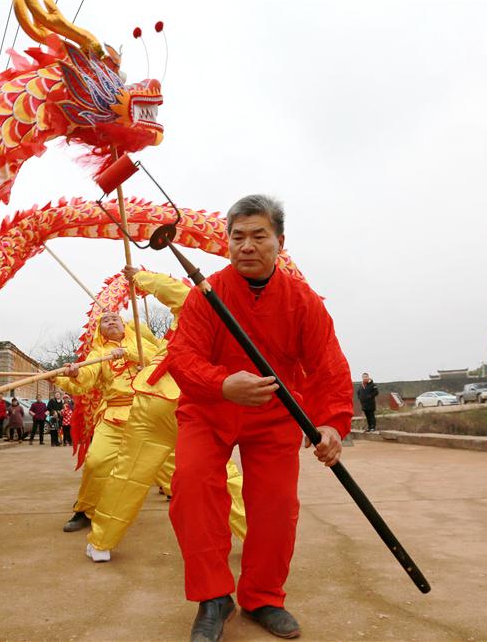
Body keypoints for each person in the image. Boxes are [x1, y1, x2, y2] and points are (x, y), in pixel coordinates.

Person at [165, 195, 353, 641]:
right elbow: (181, 356)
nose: (246, 246)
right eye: (237, 236)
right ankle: (213, 597)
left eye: (258, 236)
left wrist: (331, 423)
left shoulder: (303, 302)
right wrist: (221, 384)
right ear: (227, 241)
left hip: (274, 416)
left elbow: (328, 366)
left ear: (279, 242)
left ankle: (263, 596)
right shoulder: (205, 294)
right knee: (191, 486)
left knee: (276, 507)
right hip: (208, 411)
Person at [85, 267, 247, 564]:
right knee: (224, 475)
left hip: (159, 399)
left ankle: (100, 541)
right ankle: (252, 536)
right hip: (191, 403)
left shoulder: (193, 308)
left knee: (129, 473)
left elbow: (174, 290)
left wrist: (138, 277)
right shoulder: (237, 328)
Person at [54, 312, 156, 532]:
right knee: (96, 462)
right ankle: (85, 511)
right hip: (115, 414)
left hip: (151, 412)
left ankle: (205, 507)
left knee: (180, 462)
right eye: (105, 321)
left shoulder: (140, 341)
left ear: (124, 324)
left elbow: (160, 359)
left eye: (114, 318)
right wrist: (73, 373)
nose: (110, 321)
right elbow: (85, 379)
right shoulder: (98, 352)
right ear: (100, 330)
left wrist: (130, 354)